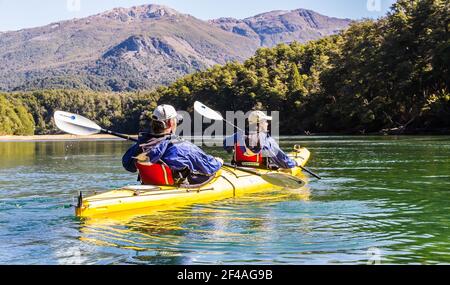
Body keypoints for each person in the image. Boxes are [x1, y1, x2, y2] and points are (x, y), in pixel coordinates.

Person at [123, 104, 223, 185]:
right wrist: (219, 161)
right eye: (175, 119)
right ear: (171, 123)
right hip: (175, 190)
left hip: (149, 186)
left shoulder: (142, 145)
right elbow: (209, 167)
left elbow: (128, 166)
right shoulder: (184, 147)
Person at [223, 110, 296, 169]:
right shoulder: (266, 139)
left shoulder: (239, 134)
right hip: (261, 168)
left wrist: (231, 149)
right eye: (266, 121)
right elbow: (282, 161)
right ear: (260, 123)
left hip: (239, 166)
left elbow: (225, 143)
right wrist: (293, 163)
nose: (267, 124)